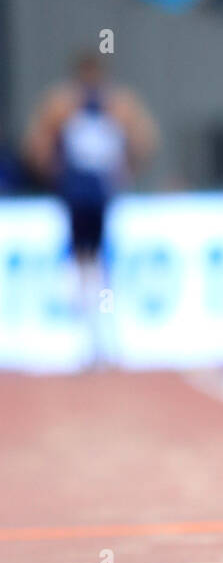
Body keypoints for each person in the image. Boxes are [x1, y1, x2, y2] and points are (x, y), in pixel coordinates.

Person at [23, 51, 159, 360]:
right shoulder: (63, 104)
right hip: (77, 191)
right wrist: (54, 173)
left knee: (97, 261)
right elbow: (37, 143)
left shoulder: (117, 103)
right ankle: (88, 333)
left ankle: (100, 333)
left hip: (99, 192)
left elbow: (145, 138)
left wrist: (126, 167)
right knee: (81, 260)